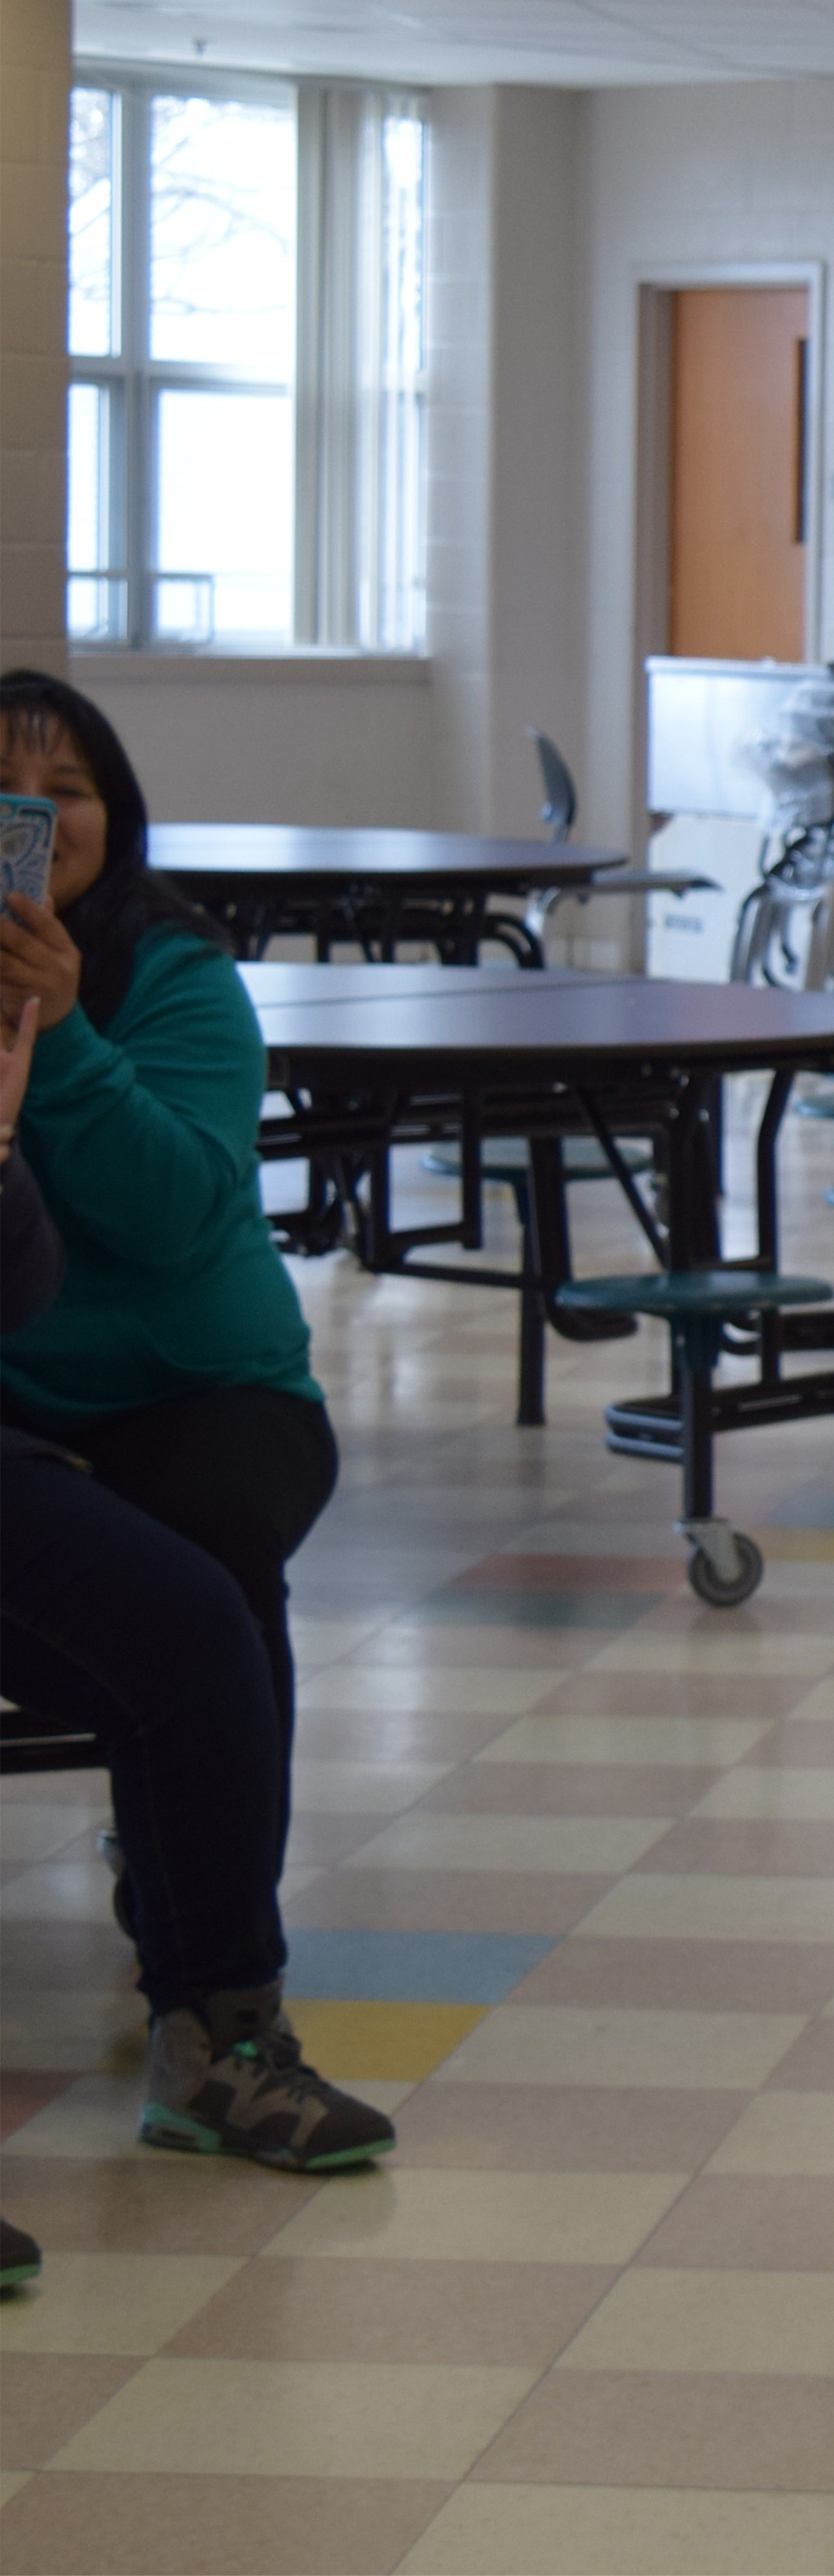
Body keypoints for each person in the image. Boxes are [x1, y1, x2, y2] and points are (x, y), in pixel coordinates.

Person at [0, 676, 395, 2177]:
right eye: (3, 786)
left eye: (67, 788)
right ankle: (194, 1893)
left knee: (212, 1567)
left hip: (200, 1389)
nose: (34, 817)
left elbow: (172, 1218)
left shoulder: (169, 975)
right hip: (19, 1402)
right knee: (155, 1627)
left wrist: (58, 1035)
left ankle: (216, 2005)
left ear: (113, 815)